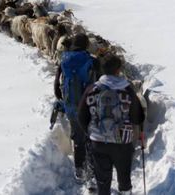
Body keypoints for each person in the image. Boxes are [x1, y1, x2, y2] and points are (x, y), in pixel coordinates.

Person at [79, 52, 145, 195]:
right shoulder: (127, 90)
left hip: (98, 141)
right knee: (124, 175)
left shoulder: (92, 89)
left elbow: (82, 116)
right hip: (122, 142)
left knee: (102, 179)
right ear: (118, 70)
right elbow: (137, 118)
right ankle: (125, 191)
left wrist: (90, 132)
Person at [54, 33, 100, 185]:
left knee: (78, 137)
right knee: (91, 136)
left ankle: (79, 169)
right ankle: (92, 171)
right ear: (86, 45)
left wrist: (63, 99)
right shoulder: (92, 61)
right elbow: (100, 83)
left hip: (71, 106)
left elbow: (57, 86)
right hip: (88, 106)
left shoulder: (64, 59)